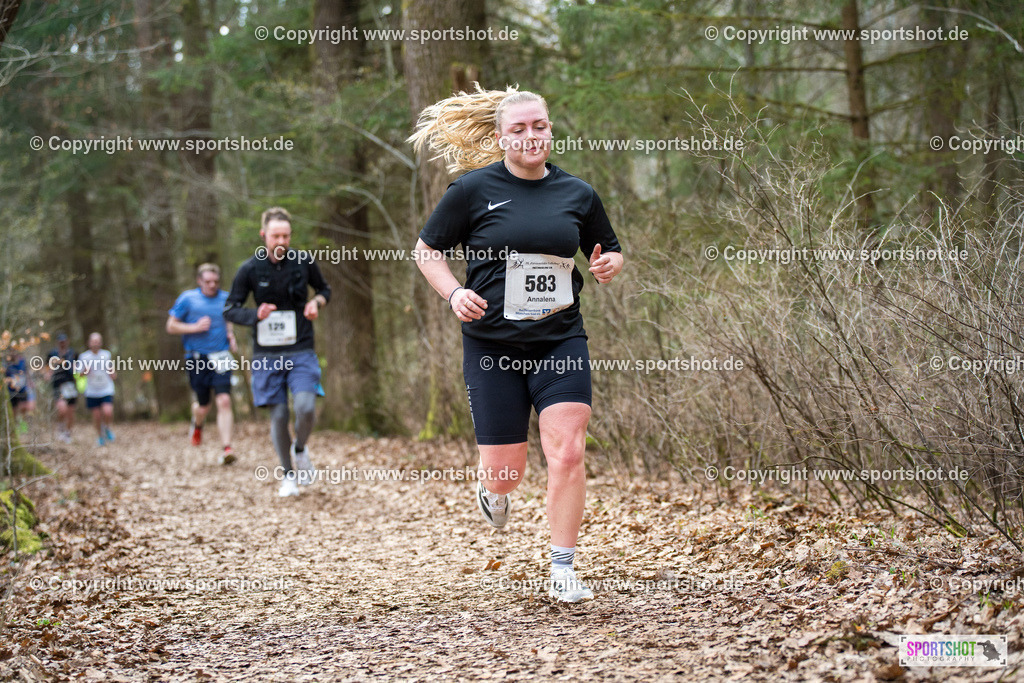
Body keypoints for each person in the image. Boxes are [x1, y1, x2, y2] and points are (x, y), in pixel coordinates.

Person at [409, 86, 624, 602]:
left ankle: (564, 568)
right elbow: (426, 251)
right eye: (520, 128)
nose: (532, 136)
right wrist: (455, 292)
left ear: (551, 129)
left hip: (560, 339)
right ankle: (493, 490)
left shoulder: (578, 193)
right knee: (507, 473)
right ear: (501, 136)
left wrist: (609, 264)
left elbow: (609, 251)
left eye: (540, 126)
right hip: (491, 347)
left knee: (568, 451)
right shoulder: (471, 190)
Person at [224, 207, 331, 497]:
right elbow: (230, 309)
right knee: (280, 415)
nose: (281, 241)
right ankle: (288, 476)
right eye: (275, 236)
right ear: (264, 236)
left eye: (286, 235)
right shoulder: (249, 269)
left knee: (306, 407)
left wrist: (316, 303)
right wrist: (255, 314)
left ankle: (300, 448)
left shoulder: (303, 262)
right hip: (267, 354)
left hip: (301, 349)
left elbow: (324, 290)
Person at [166, 263, 238, 465]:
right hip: (197, 358)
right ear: (199, 281)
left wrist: (230, 335)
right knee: (203, 406)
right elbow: (171, 326)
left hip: (221, 356)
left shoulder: (225, 298)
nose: (212, 285)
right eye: (207, 282)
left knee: (224, 400)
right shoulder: (188, 299)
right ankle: (197, 424)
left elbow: (228, 319)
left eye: (215, 281)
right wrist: (194, 327)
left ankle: (227, 448)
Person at [76, 333, 116, 446]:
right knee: (97, 416)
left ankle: (107, 428)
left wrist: (113, 373)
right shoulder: (84, 357)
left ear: (101, 343)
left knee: (107, 411)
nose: (96, 343)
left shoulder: (106, 354)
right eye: (94, 341)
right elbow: (78, 374)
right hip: (92, 390)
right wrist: (84, 372)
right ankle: (100, 436)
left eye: (98, 341)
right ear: (89, 343)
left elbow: (111, 370)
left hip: (106, 388)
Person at [46, 333, 78, 443]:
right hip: (57, 385)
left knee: (70, 411)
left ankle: (68, 433)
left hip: (70, 385)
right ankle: (60, 428)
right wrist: (48, 374)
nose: (62, 343)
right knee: (61, 409)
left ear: (67, 341)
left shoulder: (72, 353)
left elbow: (78, 367)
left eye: (64, 341)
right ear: (57, 342)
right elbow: (47, 368)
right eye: (60, 341)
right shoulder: (52, 354)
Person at [3, 349, 36, 433]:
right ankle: (15, 428)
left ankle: (23, 426)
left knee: (24, 407)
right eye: (11, 351)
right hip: (11, 391)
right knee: (13, 411)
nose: (13, 353)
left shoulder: (22, 361)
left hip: (22, 389)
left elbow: (27, 372)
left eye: (15, 351)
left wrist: (30, 382)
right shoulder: (6, 363)